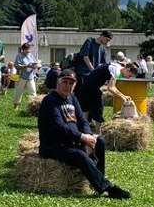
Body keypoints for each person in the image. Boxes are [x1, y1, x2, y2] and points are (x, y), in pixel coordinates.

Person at [37, 69, 130, 199]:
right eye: (64, 82)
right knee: (79, 155)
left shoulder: (73, 99)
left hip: (71, 142)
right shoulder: (49, 101)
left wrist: (88, 136)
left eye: (71, 83)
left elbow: (83, 121)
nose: (67, 86)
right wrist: (82, 137)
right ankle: (108, 188)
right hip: (54, 146)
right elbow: (59, 127)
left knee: (100, 142)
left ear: (75, 85)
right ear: (58, 82)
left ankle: (96, 180)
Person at [77, 60, 138, 128]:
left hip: (88, 85)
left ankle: (83, 128)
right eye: (129, 75)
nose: (128, 77)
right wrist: (123, 97)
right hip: (92, 87)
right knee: (98, 109)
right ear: (127, 69)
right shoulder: (117, 70)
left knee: (86, 108)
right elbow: (111, 88)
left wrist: (124, 96)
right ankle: (98, 132)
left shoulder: (118, 67)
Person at [11, 42, 40, 111]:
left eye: (29, 49)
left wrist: (35, 66)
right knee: (19, 92)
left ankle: (34, 107)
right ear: (23, 49)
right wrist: (27, 65)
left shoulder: (30, 55)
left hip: (30, 77)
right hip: (21, 77)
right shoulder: (19, 55)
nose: (28, 51)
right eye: (26, 49)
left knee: (33, 92)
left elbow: (33, 63)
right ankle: (16, 106)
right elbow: (17, 66)